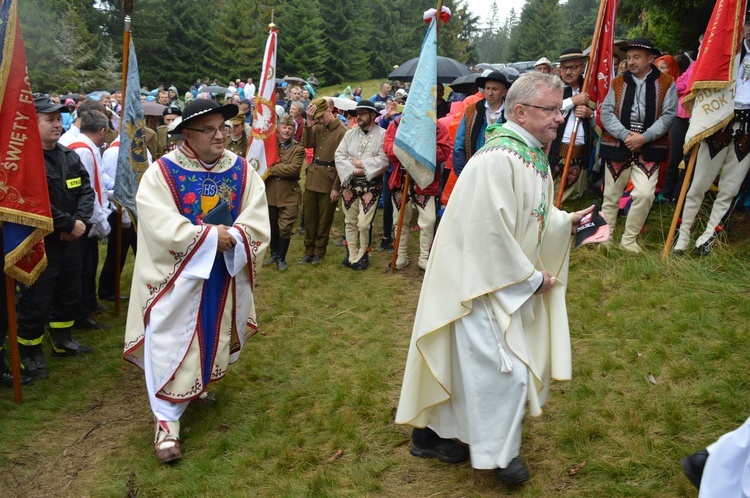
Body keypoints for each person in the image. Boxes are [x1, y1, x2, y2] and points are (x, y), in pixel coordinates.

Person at [395, 72, 594, 485]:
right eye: (551, 109)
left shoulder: (530, 155)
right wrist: (529, 278)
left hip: (494, 280)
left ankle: (433, 434)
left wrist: (565, 222)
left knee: (467, 365)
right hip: (480, 283)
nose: (560, 118)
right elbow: (488, 232)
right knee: (503, 370)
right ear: (520, 111)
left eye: (561, 109)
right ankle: (499, 455)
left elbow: (529, 213)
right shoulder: (498, 158)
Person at [123, 99, 270, 463]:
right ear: (187, 135)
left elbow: (256, 216)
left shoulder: (241, 170)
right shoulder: (162, 173)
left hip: (220, 274)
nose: (221, 135)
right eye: (210, 129)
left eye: (225, 127)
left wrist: (234, 237)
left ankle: (196, 387)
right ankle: (166, 425)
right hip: (176, 279)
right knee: (169, 342)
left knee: (210, 334)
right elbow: (157, 224)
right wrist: (207, 238)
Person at [16, 95, 95, 379]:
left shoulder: (68, 155)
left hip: (71, 240)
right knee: (36, 301)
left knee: (69, 293)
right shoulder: (26, 161)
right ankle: (29, 353)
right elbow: (32, 202)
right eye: (49, 119)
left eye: (59, 119)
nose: (57, 124)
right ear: (31, 123)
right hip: (40, 243)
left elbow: (86, 190)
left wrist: (80, 222)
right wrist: (66, 224)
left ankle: (62, 340)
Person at [674, 19, 750, 256]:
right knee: (698, 184)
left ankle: (708, 236)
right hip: (719, 122)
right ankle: (683, 234)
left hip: (748, 128)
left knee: (729, 188)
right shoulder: (726, 53)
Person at [600, 38, 676, 253]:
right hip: (618, 143)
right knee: (611, 196)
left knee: (644, 194)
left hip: (650, 146)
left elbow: (669, 115)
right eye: (629, 57)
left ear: (650, 59)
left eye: (636, 57)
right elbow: (606, 113)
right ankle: (605, 237)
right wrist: (626, 135)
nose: (631, 61)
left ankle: (629, 240)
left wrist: (645, 137)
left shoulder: (667, 82)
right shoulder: (617, 82)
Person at [59, 108, 112, 331]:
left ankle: (87, 305)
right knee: (81, 269)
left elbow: (100, 180)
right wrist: (101, 221)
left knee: (87, 267)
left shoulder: (84, 146)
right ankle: (80, 313)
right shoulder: (84, 150)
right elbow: (91, 189)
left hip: (81, 217)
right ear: (102, 131)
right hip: (81, 219)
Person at [383, 115, 452, 270]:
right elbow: (388, 148)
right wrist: (407, 150)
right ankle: (401, 257)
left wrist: (420, 148)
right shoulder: (397, 124)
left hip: (425, 182)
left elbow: (444, 151)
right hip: (401, 180)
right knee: (400, 220)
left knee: (428, 221)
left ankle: (424, 258)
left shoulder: (436, 127)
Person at [335, 100, 389, 270]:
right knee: (350, 221)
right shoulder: (350, 134)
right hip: (349, 184)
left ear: (373, 115)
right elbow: (339, 155)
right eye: (357, 113)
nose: (358, 117)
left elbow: (384, 159)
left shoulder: (383, 134)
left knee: (364, 224)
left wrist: (362, 164)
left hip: (371, 186)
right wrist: (355, 168)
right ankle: (351, 254)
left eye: (363, 113)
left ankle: (363, 254)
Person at [298, 97, 347, 265]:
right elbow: (306, 143)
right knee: (310, 217)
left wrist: (336, 187)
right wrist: (309, 122)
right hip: (313, 177)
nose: (319, 119)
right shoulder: (317, 127)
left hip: (329, 178)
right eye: (316, 117)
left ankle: (319, 251)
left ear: (329, 110)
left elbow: (343, 163)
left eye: (320, 115)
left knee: (324, 219)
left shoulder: (342, 132)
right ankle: (308, 250)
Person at [548, 48, 596, 202]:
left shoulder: (591, 88)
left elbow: (602, 118)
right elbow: (547, 109)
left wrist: (590, 115)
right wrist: (572, 102)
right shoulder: (553, 88)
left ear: (582, 68)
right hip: (556, 149)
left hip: (580, 152)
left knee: (576, 196)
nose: (568, 72)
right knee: (552, 192)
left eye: (573, 68)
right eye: (564, 68)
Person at [263, 114, 305, 271]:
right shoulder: (269, 146)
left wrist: (272, 168)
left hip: (289, 195)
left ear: (294, 130)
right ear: (278, 128)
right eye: (284, 127)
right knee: (272, 226)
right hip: (270, 193)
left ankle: (281, 257)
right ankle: (273, 253)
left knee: (285, 227)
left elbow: (293, 169)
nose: (287, 131)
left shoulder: (298, 149)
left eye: (290, 128)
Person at [453, 71, 512, 176]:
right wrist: (462, 174)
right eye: (487, 88)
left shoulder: (511, 114)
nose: (489, 93)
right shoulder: (472, 111)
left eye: (495, 89)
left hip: (502, 172)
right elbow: (459, 145)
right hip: (475, 170)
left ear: (504, 92)